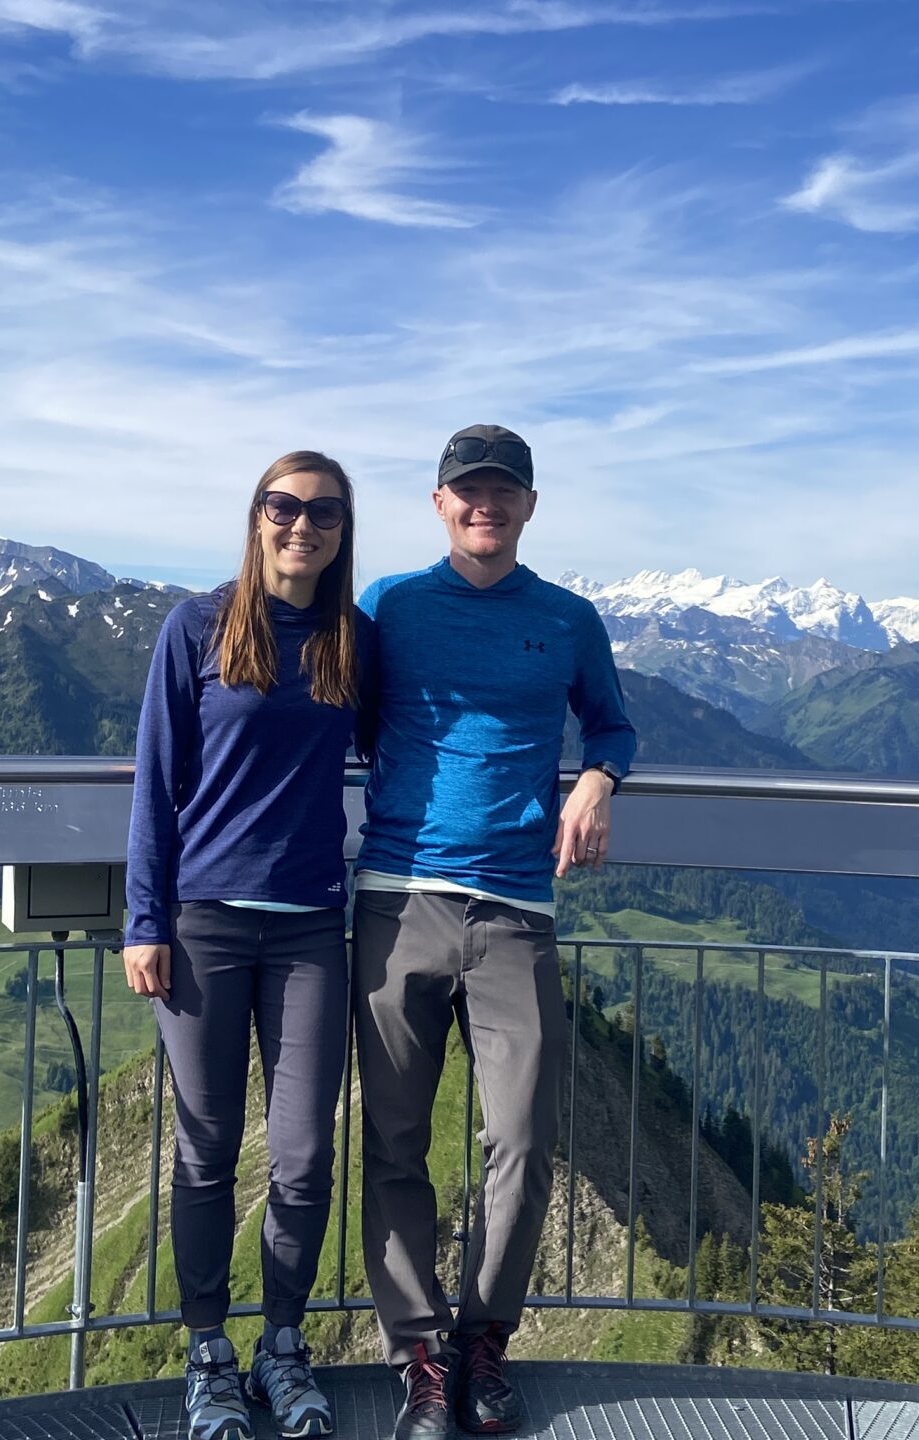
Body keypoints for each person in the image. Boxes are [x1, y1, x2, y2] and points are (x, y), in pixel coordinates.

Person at [353, 423, 636, 1439]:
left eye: (502, 491)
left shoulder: (567, 620)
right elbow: (322, 720)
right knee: (392, 1144)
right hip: (395, 897)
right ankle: (420, 1358)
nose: (485, 505)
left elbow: (611, 724)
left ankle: (485, 1339)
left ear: (528, 505)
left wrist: (599, 779)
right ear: (438, 504)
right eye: (467, 491)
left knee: (521, 1140)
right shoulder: (386, 606)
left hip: (518, 909)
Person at [124, 451, 374, 1440]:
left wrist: (590, 773)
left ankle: (281, 1343)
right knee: (206, 1150)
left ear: (344, 529)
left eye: (322, 510)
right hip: (203, 926)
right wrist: (144, 920)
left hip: (312, 923)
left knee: (304, 1155)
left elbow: (417, 742)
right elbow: (155, 779)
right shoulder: (196, 627)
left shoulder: (354, 640)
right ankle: (206, 1353)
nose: (300, 524)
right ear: (255, 516)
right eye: (282, 505)